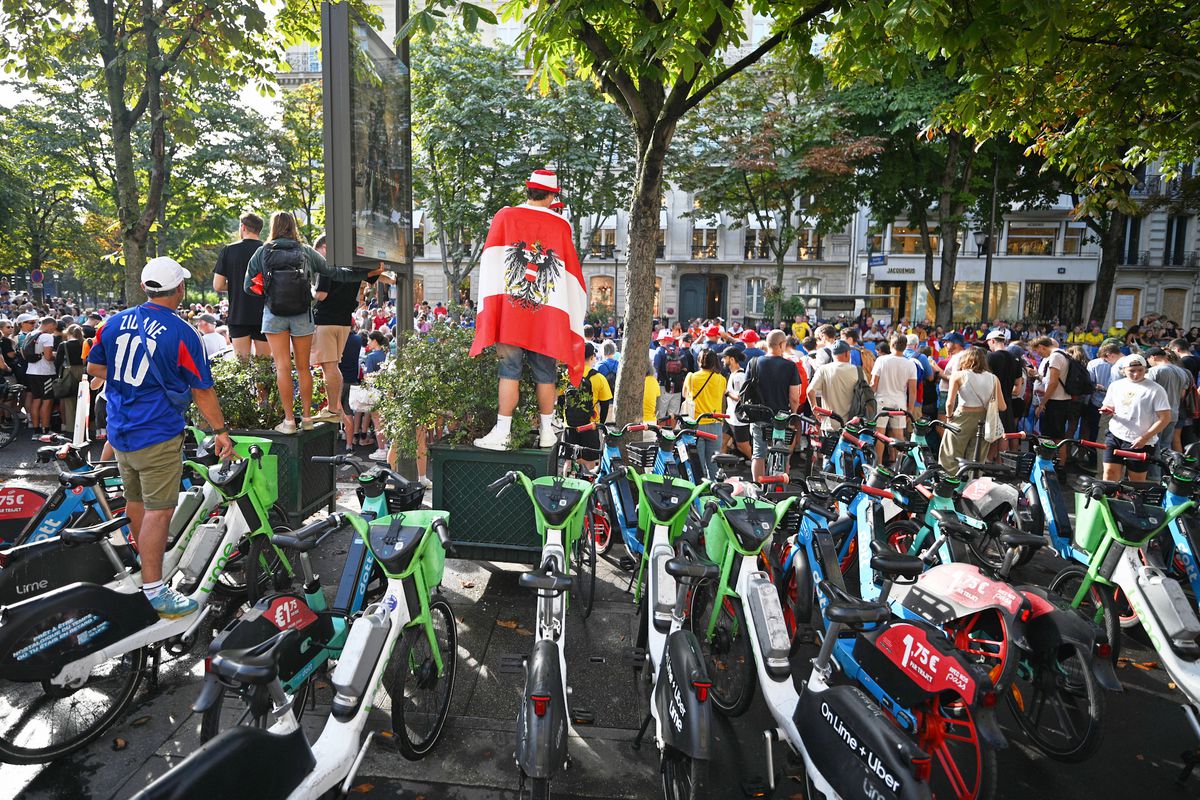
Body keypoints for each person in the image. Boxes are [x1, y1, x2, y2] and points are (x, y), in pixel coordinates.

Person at [86, 257, 234, 618]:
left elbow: (94, 367)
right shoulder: (184, 333)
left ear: (145, 287)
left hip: (120, 431)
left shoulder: (113, 322)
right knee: (159, 509)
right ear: (179, 290)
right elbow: (202, 390)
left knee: (136, 500)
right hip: (157, 433)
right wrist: (221, 432)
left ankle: (144, 565)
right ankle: (155, 590)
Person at [470, 170, 587, 450]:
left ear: (528, 191)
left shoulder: (505, 216)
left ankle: (503, 431)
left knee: (509, 371)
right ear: (551, 195)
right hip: (546, 316)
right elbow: (570, 274)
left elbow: (490, 261)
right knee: (545, 374)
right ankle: (547, 432)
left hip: (511, 314)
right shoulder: (560, 225)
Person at [245, 211, 381, 434]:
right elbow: (335, 273)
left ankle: (289, 421)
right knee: (303, 367)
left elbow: (247, 286)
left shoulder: (262, 252)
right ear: (293, 227)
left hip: (274, 315)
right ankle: (307, 418)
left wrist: (270, 295)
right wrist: (365, 274)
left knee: (282, 367)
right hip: (301, 315)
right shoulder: (306, 251)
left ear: (273, 227)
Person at [311, 233, 377, 426]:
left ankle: (333, 409)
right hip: (343, 323)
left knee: (329, 366)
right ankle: (335, 408)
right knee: (333, 366)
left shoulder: (326, 266)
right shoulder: (352, 267)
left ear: (324, 248)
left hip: (325, 321)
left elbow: (321, 295)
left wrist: (311, 290)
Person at [1100, 354, 1171, 482]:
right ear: (1123, 370)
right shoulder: (1116, 385)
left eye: (1140, 370)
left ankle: (1129, 501)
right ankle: (1110, 500)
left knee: (1135, 483)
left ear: (1145, 369)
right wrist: (1107, 410)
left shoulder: (1156, 390)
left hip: (1140, 441)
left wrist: (1145, 437)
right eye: (1131, 371)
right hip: (1115, 435)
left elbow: (1165, 418)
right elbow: (1108, 404)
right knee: (1109, 475)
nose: (1136, 374)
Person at [939, 346, 1005, 473]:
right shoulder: (993, 378)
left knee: (950, 454)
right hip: (984, 419)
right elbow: (1002, 406)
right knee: (977, 457)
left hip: (962, 416)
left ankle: (949, 483)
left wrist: (949, 417)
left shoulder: (959, 375)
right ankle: (971, 484)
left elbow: (949, 403)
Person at [747, 330, 801, 480]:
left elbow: (744, 391)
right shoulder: (790, 366)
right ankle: (780, 485)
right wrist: (793, 415)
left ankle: (758, 488)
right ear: (782, 344)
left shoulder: (754, 363)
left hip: (758, 415)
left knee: (758, 454)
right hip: (781, 418)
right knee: (782, 451)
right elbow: (794, 397)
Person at [213, 212, 266, 358]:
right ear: (259, 230)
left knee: (242, 366)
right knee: (264, 366)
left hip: (238, 314)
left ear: (242, 227)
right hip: (264, 314)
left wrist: (236, 284)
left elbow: (218, 285)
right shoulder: (268, 250)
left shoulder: (229, 250)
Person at [870, 334, 918, 463]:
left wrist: (868, 401)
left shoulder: (881, 360)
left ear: (891, 345)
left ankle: (878, 465)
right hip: (900, 402)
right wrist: (911, 410)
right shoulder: (910, 364)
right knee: (899, 436)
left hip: (881, 400)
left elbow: (874, 384)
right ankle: (899, 465)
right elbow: (912, 390)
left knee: (880, 435)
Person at [683, 349, 727, 479]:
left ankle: (701, 494)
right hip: (715, 424)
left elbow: (685, 395)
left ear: (699, 361)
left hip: (697, 425)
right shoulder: (721, 379)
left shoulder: (691, 377)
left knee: (699, 465)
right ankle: (715, 491)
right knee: (714, 464)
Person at [1030, 335, 1074, 465]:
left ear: (1042, 347)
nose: (1038, 355)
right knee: (1056, 436)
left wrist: (1042, 403)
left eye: (1037, 351)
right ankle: (1056, 464)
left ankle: (1052, 465)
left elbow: (1053, 383)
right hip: (1062, 400)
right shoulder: (1064, 354)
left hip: (1056, 402)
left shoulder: (1055, 356)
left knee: (1052, 437)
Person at [1146, 347, 1190, 472]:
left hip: (1156, 416)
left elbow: (1146, 393)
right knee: (1165, 447)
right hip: (1173, 413)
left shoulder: (1154, 371)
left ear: (1152, 357)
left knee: (1153, 446)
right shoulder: (1183, 372)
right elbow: (1182, 395)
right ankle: (1165, 475)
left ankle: (1154, 477)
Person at [807, 340, 859, 432]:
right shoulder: (857, 370)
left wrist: (815, 409)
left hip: (829, 423)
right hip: (852, 424)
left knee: (828, 446)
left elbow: (810, 391)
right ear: (847, 353)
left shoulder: (823, 369)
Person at [22, 316, 58, 436]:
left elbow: (23, 352)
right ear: (49, 325)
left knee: (36, 399)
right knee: (47, 401)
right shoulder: (47, 336)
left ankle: (36, 430)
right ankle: (45, 430)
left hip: (31, 370)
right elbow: (48, 357)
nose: (54, 330)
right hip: (45, 372)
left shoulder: (30, 334)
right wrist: (56, 356)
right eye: (54, 327)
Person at [653, 328, 695, 425]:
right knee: (674, 414)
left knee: (661, 415)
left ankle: (661, 437)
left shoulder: (659, 351)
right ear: (671, 340)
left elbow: (655, 370)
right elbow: (685, 369)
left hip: (663, 386)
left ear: (662, 340)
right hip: (677, 387)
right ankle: (672, 436)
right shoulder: (680, 351)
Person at [55, 324, 86, 436]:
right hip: (84, 372)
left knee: (69, 401)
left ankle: (71, 428)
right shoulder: (85, 343)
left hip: (69, 372)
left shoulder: (64, 345)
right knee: (84, 400)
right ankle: (87, 427)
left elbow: (57, 362)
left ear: (68, 333)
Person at [722, 349, 751, 460]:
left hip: (738, 420)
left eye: (724, 357)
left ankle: (761, 465)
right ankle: (720, 469)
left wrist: (726, 393)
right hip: (730, 417)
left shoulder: (739, 376)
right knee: (723, 442)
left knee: (742, 446)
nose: (722, 360)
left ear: (732, 359)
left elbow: (739, 397)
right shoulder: (734, 374)